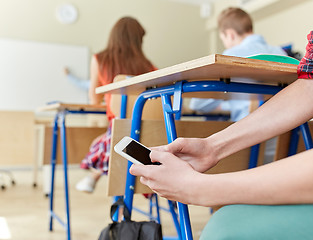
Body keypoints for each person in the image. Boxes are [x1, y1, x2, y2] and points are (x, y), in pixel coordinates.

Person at [130, 31, 313, 239]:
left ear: (229, 34)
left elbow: (199, 104)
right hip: (286, 156)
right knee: (226, 224)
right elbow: (310, 86)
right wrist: (212, 147)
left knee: (226, 230)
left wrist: (201, 188)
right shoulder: (278, 51)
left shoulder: (233, 53)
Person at [75, 16, 156, 193]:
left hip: (120, 130)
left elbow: (94, 99)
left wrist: (111, 101)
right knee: (117, 141)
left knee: (104, 142)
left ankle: (97, 180)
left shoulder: (100, 60)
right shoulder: (148, 65)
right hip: (152, 133)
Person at [189, 7, 287, 122]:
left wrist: (230, 105)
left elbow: (197, 104)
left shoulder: (230, 56)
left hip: (251, 132)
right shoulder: (281, 53)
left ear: (230, 35)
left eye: (223, 40)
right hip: (286, 130)